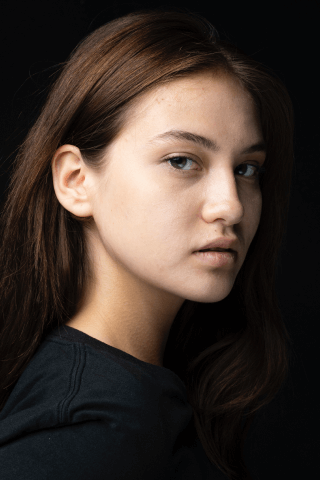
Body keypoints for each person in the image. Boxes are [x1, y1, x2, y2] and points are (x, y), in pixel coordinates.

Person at [0, 6, 295, 480]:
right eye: (182, 161)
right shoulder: (87, 433)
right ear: (76, 180)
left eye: (246, 170)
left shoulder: (156, 390)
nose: (232, 207)